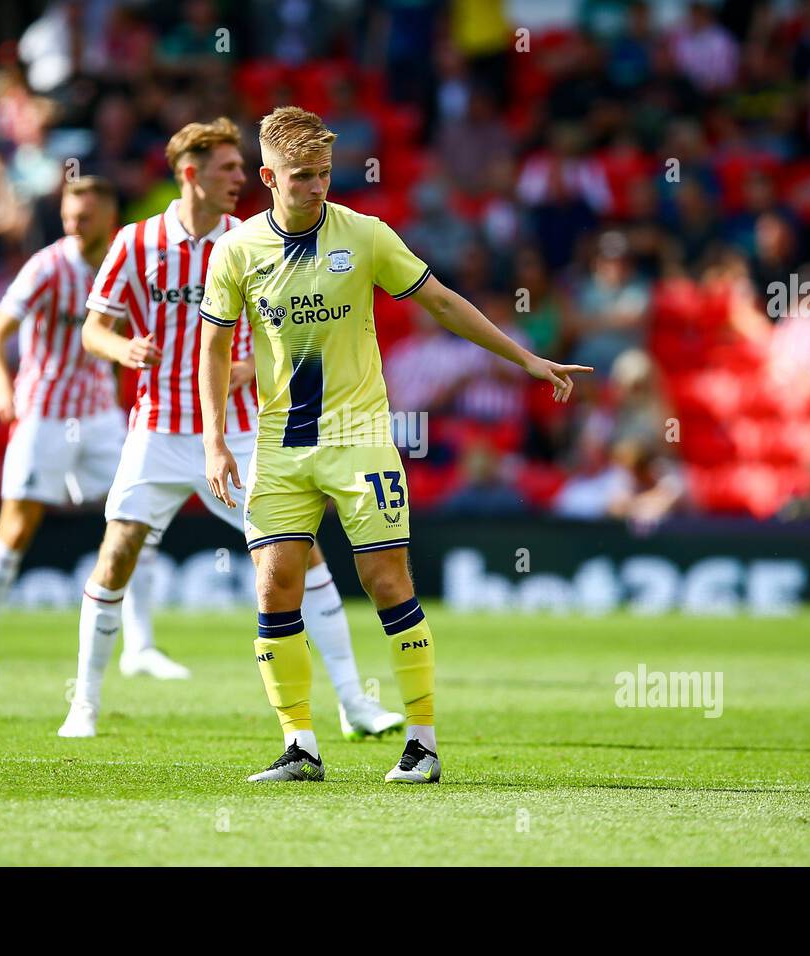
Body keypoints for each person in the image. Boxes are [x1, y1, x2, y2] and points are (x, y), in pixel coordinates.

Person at [198, 106, 593, 784]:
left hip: (359, 439)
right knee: (273, 586)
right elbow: (211, 348)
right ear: (267, 176)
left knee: (386, 582)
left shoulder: (367, 235)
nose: (316, 188)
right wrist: (213, 439)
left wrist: (522, 357)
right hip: (279, 445)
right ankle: (300, 745)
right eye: (300, 177)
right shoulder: (236, 252)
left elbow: (439, 301)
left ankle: (423, 742)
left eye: (323, 174)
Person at [61, 118, 402, 741]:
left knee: (304, 560)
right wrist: (121, 349)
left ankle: (355, 703)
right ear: (190, 173)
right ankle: (82, 704)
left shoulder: (249, 240)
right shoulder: (136, 244)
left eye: (244, 170)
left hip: (243, 433)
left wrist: (256, 366)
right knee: (116, 554)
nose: (241, 180)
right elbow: (92, 329)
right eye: (228, 170)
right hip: (160, 429)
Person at [0, 176, 157, 680]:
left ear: (107, 216)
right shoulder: (47, 267)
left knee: (135, 518)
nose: (74, 224)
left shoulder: (123, 264)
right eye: (69, 216)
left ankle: (140, 648)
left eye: (84, 216)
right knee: (18, 526)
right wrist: (3, 391)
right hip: (44, 413)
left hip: (98, 416)